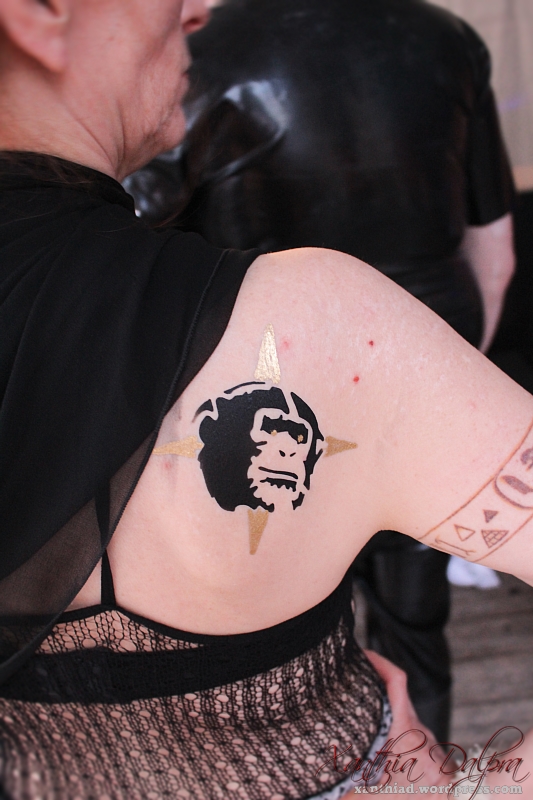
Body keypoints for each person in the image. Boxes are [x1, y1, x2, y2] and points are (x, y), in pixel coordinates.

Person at [0, 1, 531, 799]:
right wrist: (473, 789)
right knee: (415, 623)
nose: (194, 10)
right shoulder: (324, 317)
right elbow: (494, 252)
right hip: (362, 378)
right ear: (38, 13)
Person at [125, 0, 516, 742]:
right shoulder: (449, 37)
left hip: (262, 403)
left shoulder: (198, 52)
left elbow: (129, 248)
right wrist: (450, 373)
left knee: (273, 645)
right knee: (414, 627)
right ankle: (417, 774)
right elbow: (493, 254)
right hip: (421, 392)